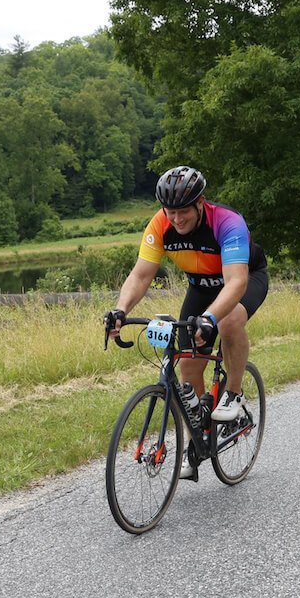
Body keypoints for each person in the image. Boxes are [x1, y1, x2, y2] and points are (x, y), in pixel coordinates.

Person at [105, 165, 268, 438]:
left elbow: (236, 282)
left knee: (228, 322)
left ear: (201, 203)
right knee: (189, 366)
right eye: (171, 212)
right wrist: (121, 309)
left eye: (184, 211)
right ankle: (196, 443)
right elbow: (141, 274)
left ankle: (233, 394)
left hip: (245, 278)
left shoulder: (227, 221)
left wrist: (210, 318)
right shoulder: (160, 224)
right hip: (201, 287)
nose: (177, 220)